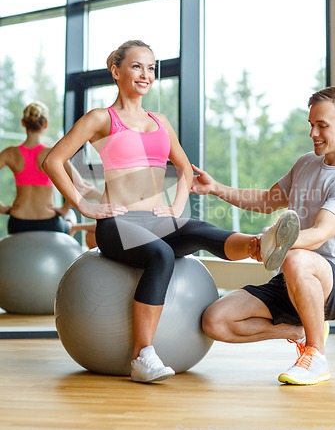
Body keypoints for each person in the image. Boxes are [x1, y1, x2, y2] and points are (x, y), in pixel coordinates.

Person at [42, 39, 300, 384]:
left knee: (201, 230)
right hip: (118, 224)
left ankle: (260, 245)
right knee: (162, 256)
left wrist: (177, 205)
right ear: (116, 71)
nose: (146, 74)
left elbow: (184, 168)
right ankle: (142, 356)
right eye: (136, 66)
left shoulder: (160, 121)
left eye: (151, 68)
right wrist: (84, 204)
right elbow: (52, 160)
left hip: (158, 219)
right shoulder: (101, 119)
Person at [191, 85, 335, 386]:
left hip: (331, 281)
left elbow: (317, 236)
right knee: (215, 321)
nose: (313, 133)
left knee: (297, 257)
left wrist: (273, 242)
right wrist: (216, 188)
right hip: (289, 277)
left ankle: (316, 355)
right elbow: (266, 200)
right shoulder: (305, 163)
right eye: (311, 125)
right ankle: (297, 331)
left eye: (322, 125)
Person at [0, 101, 100, 246]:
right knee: (70, 218)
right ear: (45, 124)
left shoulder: (10, 153)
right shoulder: (52, 154)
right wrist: (64, 209)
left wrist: (2, 208)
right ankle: (73, 227)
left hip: (18, 223)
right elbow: (79, 184)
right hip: (48, 222)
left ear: (23, 123)